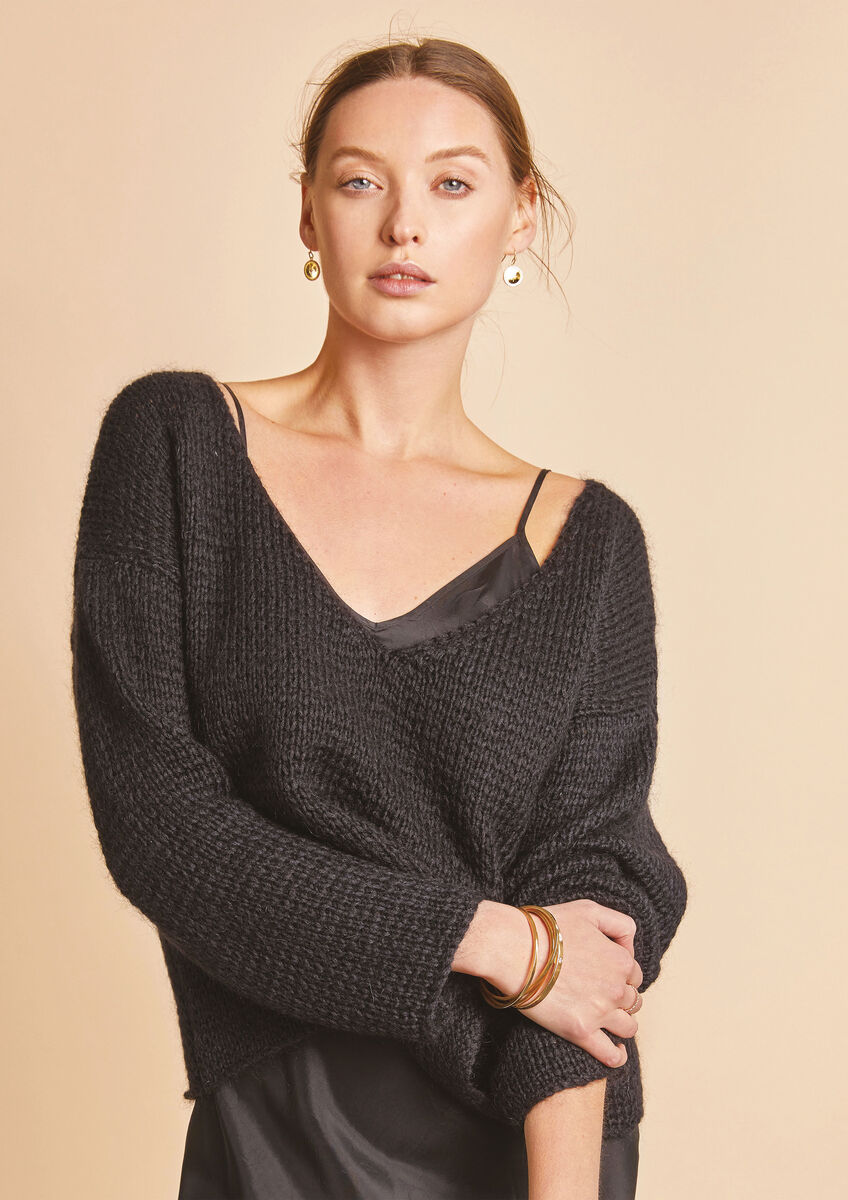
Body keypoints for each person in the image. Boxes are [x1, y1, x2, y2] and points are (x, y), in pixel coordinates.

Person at [69, 35, 688, 1200]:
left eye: (452, 183)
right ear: (308, 211)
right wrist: (500, 943)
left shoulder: (588, 543)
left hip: (530, 1140)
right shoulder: (178, 447)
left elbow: (591, 904)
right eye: (361, 181)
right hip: (276, 1132)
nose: (404, 225)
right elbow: (161, 829)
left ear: (517, 214)